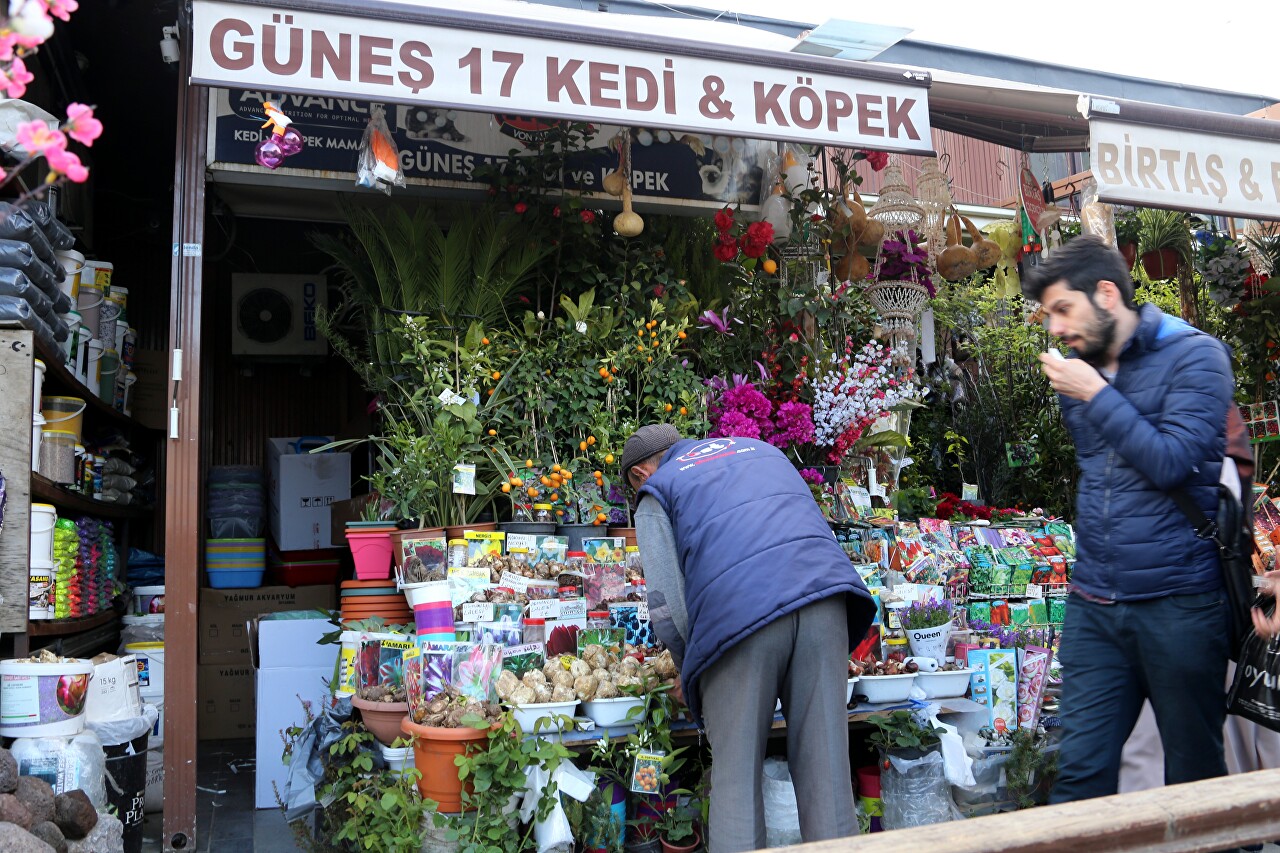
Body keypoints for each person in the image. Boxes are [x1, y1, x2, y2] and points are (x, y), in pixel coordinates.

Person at [1024, 234, 1235, 803]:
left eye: (1062, 309)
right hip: (1094, 605)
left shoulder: (1197, 356)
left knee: (1193, 783)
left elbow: (1171, 463)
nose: (1054, 328)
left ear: (1107, 293)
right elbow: (1103, 477)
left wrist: (1098, 394)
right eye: (1048, 315)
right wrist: (1091, 390)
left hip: (1179, 605)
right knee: (1079, 776)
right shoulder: (1077, 377)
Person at [618, 425, 876, 853]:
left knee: (736, 779)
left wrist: (688, 666)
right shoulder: (759, 450)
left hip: (739, 617)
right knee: (827, 771)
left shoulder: (657, 489)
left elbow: (666, 604)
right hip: (825, 601)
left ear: (641, 474)